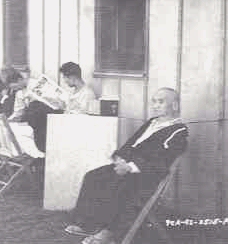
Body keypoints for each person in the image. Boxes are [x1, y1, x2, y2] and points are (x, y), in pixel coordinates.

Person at [64, 88, 188, 244]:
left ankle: (109, 232)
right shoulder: (152, 122)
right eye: (154, 101)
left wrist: (131, 167)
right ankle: (87, 223)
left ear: (175, 105)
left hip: (145, 175)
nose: (155, 105)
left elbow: (162, 161)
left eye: (161, 102)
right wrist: (120, 158)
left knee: (120, 185)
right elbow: (131, 143)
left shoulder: (178, 131)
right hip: (126, 166)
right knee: (94, 176)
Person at [26, 62, 96, 152]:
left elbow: (83, 116)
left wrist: (65, 111)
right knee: (35, 105)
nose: (64, 81)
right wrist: (54, 102)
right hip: (62, 119)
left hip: (71, 125)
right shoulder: (73, 91)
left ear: (72, 77)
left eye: (65, 77)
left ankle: (41, 146)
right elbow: (65, 106)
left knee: (38, 111)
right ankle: (40, 144)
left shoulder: (87, 93)